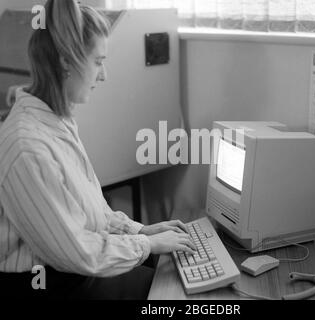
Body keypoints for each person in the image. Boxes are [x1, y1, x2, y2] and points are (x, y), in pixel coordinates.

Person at [0, 0, 196, 300]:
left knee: (174, 283)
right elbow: (76, 251)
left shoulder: (56, 120)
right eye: (98, 61)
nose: (103, 75)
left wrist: (140, 231)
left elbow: (92, 212)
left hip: (72, 274)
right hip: (51, 285)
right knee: (176, 298)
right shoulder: (29, 147)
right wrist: (148, 246)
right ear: (67, 62)